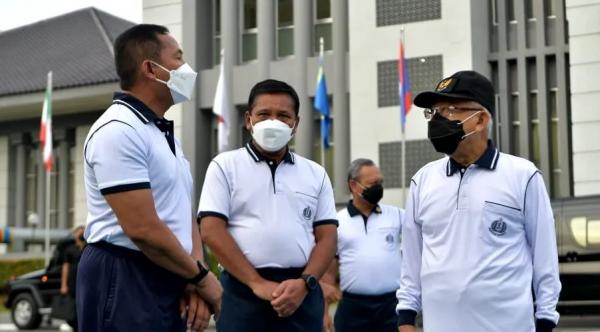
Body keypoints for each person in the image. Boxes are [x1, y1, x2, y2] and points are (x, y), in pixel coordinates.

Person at [78, 24, 222, 332]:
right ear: (150, 69)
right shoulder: (118, 130)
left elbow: (183, 214)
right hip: (126, 273)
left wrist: (194, 275)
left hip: (170, 271)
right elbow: (142, 229)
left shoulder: (161, 133)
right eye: (178, 58)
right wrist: (204, 280)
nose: (186, 69)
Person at [396, 70, 561, 332]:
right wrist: (405, 318)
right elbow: (411, 260)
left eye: (449, 109)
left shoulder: (523, 176)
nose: (437, 119)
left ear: (480, 119)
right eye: (433, 112)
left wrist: (545, 320)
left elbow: (545, 257)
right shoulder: (422, 181)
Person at [198, 79, 338, 332]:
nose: (273, 121)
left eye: (283, 115)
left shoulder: (316, 173)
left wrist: (305, 283)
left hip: (302, 294)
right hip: (242, 292)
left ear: (296, 124)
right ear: (248, 119)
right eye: (264, 114)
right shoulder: (225, 166)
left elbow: (327, 238)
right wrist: (256, 283)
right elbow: (211, 230)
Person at [321, 158, 403, 332]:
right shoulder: (337, 222)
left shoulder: (397, 215)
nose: (378, 187)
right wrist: (324, 312)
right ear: (353, 185)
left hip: (392, 307)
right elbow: (328, 272)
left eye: (380, 182)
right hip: (352, 310)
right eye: (373, 183)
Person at [58, 226, 85, 330]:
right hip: (73, 283)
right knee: (73, 309)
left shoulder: (88, 247)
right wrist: (63, 285)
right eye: (79, 233)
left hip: (85, 283)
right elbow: (65, 267)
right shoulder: (69, 250)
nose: (81, 235)